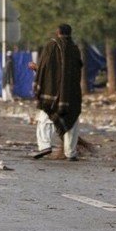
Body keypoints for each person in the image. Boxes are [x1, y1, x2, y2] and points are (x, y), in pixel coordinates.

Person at [31, 24, 83, 161]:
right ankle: (71, 153)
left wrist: (35, 68)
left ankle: (44, 146)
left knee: (45, 119)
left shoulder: (51, 46)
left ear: (57, 32)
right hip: (71, 94)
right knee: (71, 121)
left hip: (52, 93)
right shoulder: (75, 48)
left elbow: (44, 68)